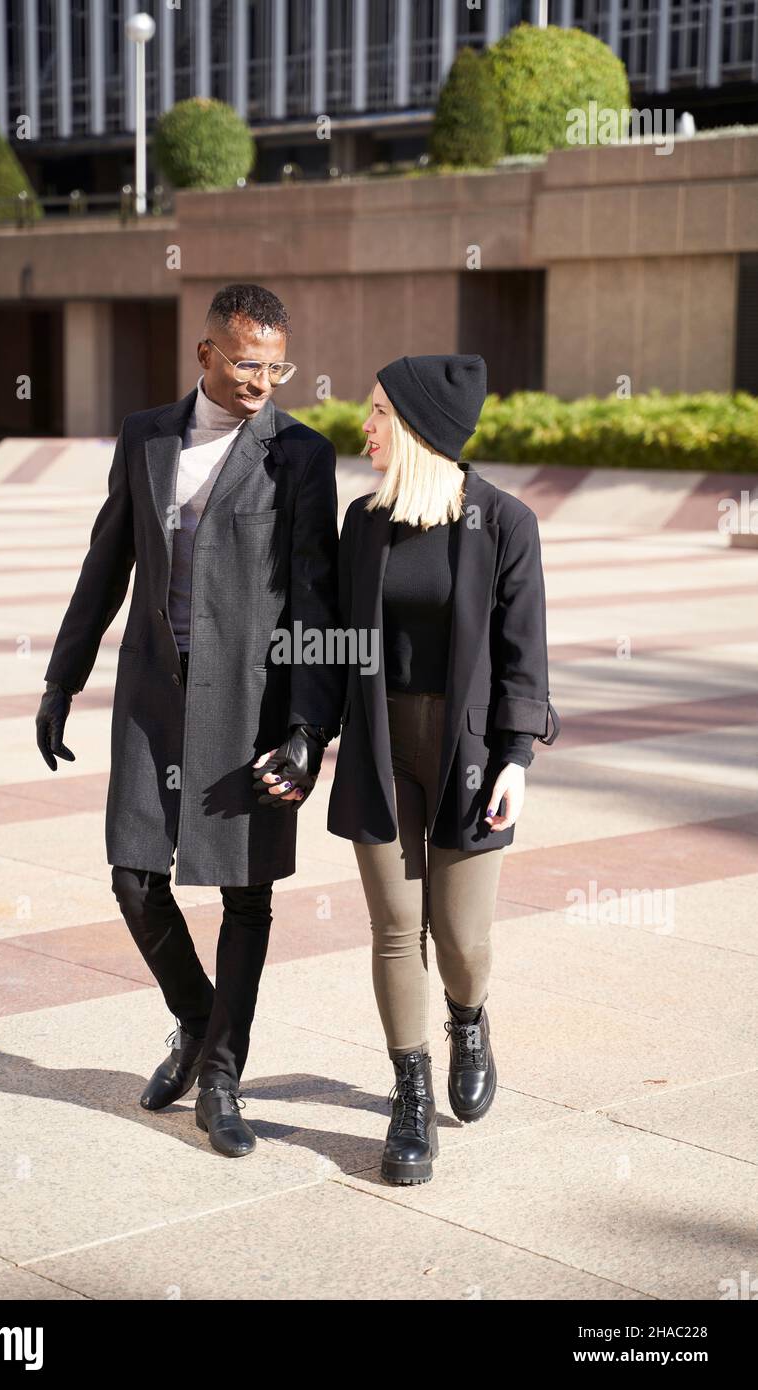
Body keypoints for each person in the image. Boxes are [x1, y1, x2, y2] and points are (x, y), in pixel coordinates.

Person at [36, 284, 344, 1158]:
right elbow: (107, 564)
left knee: (246, 895)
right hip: (151, 697)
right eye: (247, 362)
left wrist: (309, 727)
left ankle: (220, 1078)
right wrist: (63, 678)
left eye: (277, 366)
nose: (263, 381)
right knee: (134, 875)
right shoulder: (146, 436)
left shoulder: (300, 456)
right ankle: (198, 1022)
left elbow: (316, 601)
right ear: (205, 353)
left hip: (251, 701)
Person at [327, 354, 559, 1185]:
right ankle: (410, 1093)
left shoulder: (504, 524)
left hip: (467, 754)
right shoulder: (363, 523)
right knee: (397, 927)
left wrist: (516, 760)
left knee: (461, 938)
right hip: (381, 753)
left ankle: (469, 1018)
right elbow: (333, 648)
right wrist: (301, 733)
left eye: (380, 411)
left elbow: (523, 658)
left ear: (420, 425)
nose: (366, 425)